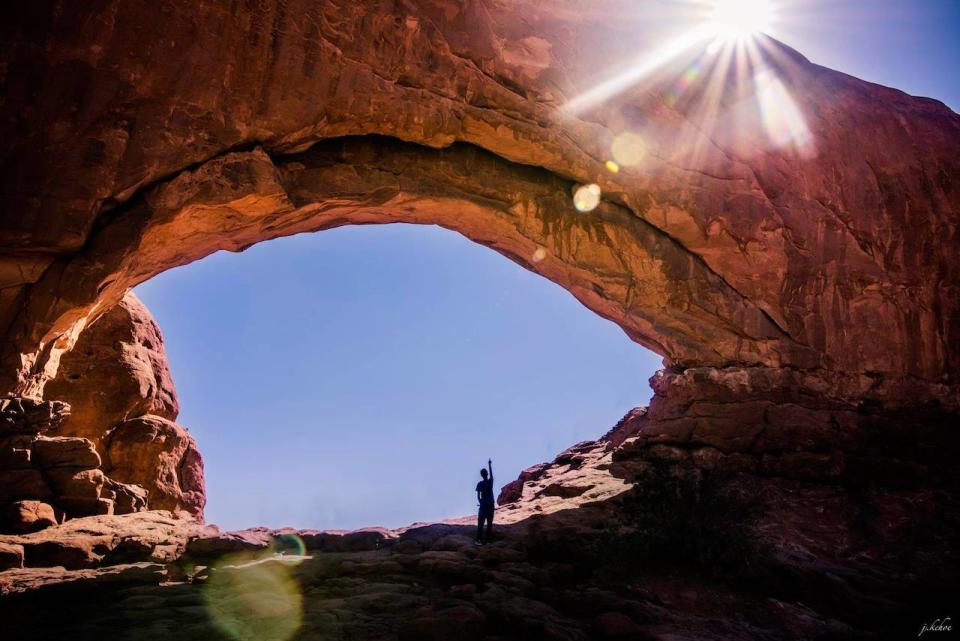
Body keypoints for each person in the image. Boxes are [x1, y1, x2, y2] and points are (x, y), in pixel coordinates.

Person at [475, 458, 494, 544]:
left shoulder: (480, 484)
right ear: (487, 474)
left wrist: (481, 503)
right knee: (489, 524)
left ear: (481, 475)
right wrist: (489, 464)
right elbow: (492, 475)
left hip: (483, 506)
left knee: (480, 524)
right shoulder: (490, 482)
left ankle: (479, 540)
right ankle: (488, 541)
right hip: (490, 504)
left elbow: (478, 496)